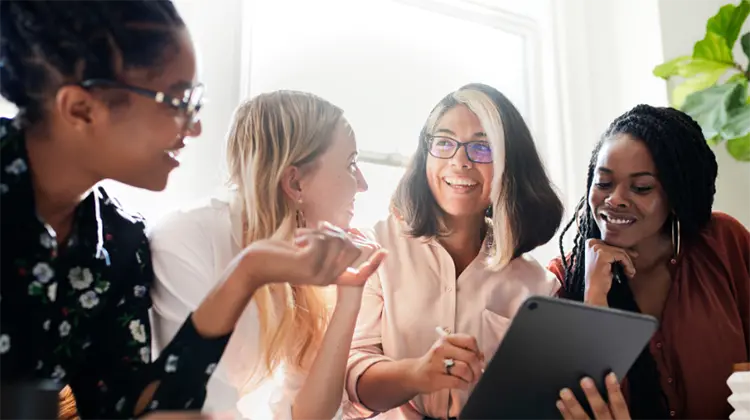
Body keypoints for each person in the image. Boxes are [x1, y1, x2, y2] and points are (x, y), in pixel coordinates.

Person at [0, 2, 377, 418]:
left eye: (195, 101)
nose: (195, 127)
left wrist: (247, 272)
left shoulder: (118, 243)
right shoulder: (174, 237)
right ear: (80, 109)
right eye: (177, 101)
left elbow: (134, 405)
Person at [149, 90, 387, 420]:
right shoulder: (187, 240)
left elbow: (308, 414)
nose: (362, 184)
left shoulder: (303, 263)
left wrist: (350, 296)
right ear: (295, 183)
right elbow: (190, 402)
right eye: (350, 164)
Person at [344, 83, 564, 419]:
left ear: (510, 164)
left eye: (481, 147)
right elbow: (352, 378)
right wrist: (417, 374)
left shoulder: (539, 285)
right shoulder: (376, 249)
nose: (460, 161)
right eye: (444, 143)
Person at [550, 104, 750, 420]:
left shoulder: (724, 245)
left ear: (677, 193)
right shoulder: (563, 280)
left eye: (641, 187)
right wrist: (594, 299)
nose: (614, 199)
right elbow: (565, 404)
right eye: (603, 183)